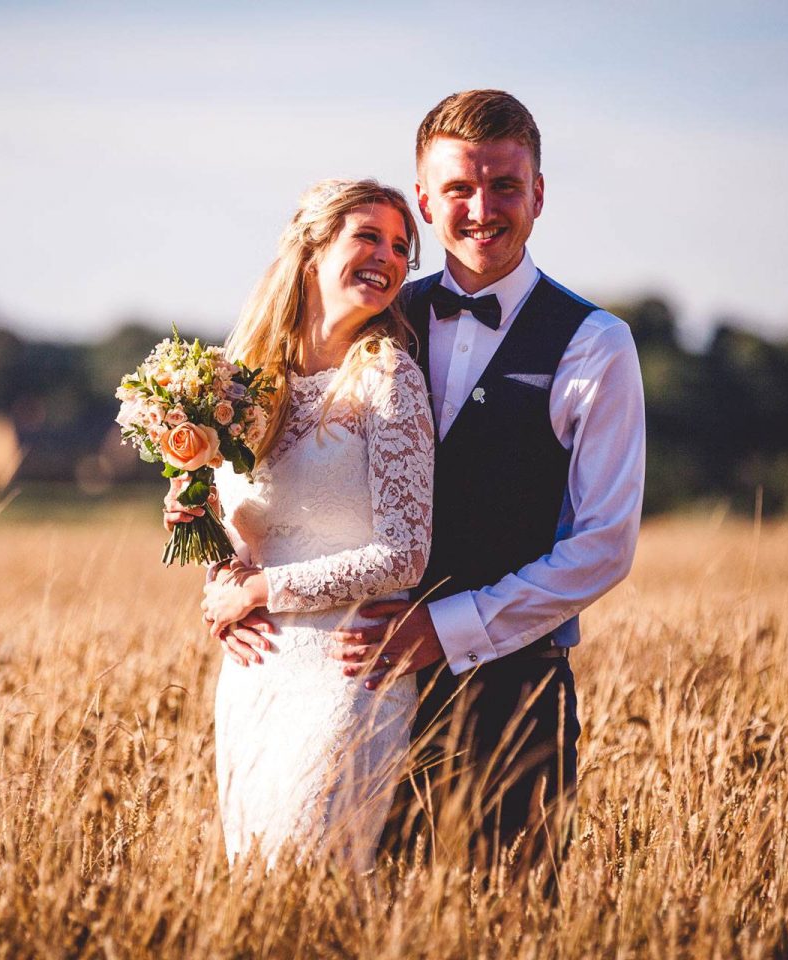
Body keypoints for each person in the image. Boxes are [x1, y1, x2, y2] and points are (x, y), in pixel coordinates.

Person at [197, 90, 646, 866]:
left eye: (505, 185)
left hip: (510, 693)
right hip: (347, 691)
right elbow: (264, 464)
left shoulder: (595, 346)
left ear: (538, 192)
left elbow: (603, 545)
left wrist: (449, 627)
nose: (482, 208)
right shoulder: (369, 313)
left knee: (502, 923)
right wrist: (225, 575)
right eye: (459, 189)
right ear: (426, 199)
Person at [183, 178, 435, 871]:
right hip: (253, 677)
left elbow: (404, 555)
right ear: (312, 249)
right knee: (258, 889)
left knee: (311, 878)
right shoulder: (238, 384)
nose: (389, 256)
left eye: (401, 246)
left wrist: (259, 592)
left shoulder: (389, 378)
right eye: (369, 236)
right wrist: (219, 578)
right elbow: (224, 520)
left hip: (349, 673)